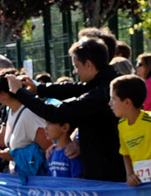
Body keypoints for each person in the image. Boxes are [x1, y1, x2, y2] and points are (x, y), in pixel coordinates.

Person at [7, 38, 124, 182]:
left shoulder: (105, 91)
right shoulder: (103, 82)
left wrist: (20, 92)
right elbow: (72, 88)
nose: (74, 72)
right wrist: (38, 89)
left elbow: (57, 112)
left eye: (76, 66)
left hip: (111, 176)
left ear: (88, 65)